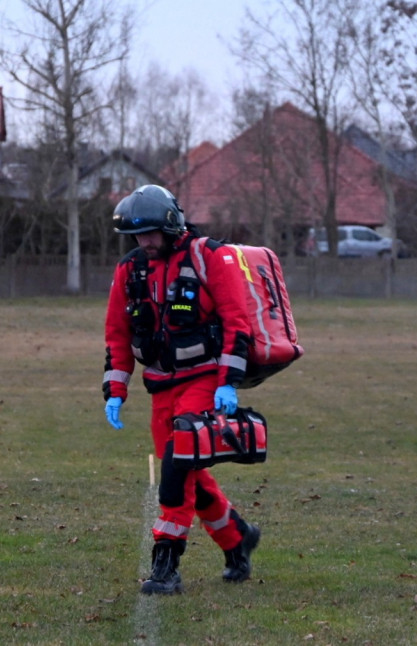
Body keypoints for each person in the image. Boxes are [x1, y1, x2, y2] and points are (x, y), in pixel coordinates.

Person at [102, 184, 261, 595]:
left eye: (151, 233)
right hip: (161, 387)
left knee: (175, 472)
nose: (144, 242)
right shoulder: (130, 270)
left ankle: (166, 566)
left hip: (204, 380)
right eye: (137, 236)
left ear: (171, 224)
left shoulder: (211, 257)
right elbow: (118, 334)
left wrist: (228, 383)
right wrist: (116, 388)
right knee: (191, 474)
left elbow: (236, 322)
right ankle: (237, 537)